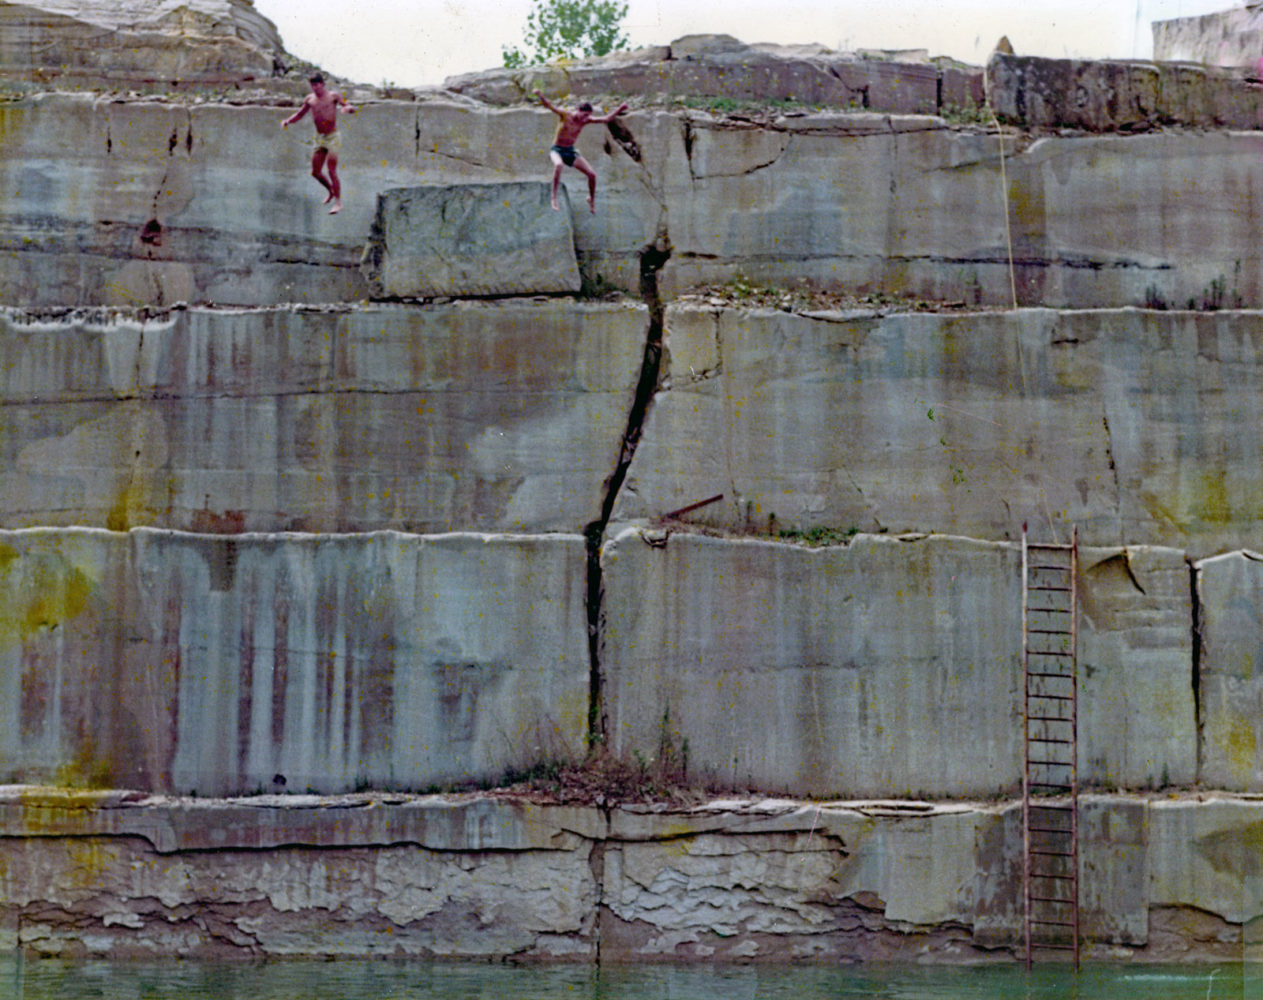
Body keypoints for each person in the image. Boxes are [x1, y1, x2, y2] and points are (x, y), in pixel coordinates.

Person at [533, 90, 629, 213]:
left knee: (592, 175)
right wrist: (540, 95)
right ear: (578, 110)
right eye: (584, 115)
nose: (585, 118)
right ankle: (554, 197)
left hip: (570, 151)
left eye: (587, 116)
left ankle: (591, 200)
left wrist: (620, 108)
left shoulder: (586, 120)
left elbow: (605, 119)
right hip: (557, 150)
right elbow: (550, 106)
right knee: (558, 165)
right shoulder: (565, 115)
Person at [281, 73, 355, 214]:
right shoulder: (310, 99)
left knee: (331, 170)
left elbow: (349, 106)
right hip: (319, 138)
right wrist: (288, 121)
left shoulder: (333, 95)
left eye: (317, 85)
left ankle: (338, 202)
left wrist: (347, 109)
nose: (315, 88)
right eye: (313, 85)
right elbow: (300, 114)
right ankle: (330, 191)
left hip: (332, 137)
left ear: (322, 84)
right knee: (315, 172)